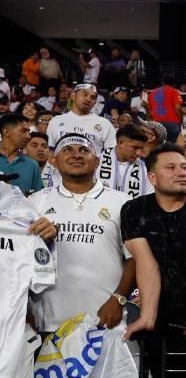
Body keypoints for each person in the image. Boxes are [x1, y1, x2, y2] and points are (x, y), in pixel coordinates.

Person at [29, 133, 134, 333]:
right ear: (54, 160)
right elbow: (20, 261)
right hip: (49, 324)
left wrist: (119, 299)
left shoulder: (123, 202)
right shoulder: (35, 202)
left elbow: (134, 258)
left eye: (84, 150)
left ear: (97, 161)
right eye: (67, 150)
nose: (76, 155)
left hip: (106, 321)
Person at [121, 143, 186, 339]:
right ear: (152, 178)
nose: (182, 173)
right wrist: (148, 316)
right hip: (158, 312)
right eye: (171, 167)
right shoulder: (133, 210)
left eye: (184, 167)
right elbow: (147, 265)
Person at [47, 83, 116, 156]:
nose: (88, 99)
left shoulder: (105, 124)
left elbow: (111, 155)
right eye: (85, 95)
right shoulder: (56, 121)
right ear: (73, 95)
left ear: (95, 102)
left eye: (93, 97)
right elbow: (50, 151)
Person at [0, 113, 39, 194]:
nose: (28, 136)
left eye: (28, 131)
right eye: (24, 131)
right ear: (6, 132)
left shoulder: (32, 165)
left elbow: (39, 197)